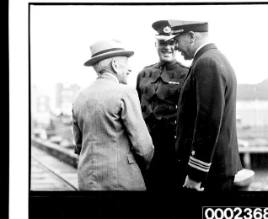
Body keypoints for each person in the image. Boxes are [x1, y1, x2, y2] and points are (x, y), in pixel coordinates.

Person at [152, 20, 242, 192]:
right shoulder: (214, 59)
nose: (175, 47)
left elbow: (208, 122)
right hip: (216, 169)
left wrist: (196, 174)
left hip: (210, 174)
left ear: (192, 36)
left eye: (176, 40)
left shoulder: (206, 63)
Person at [72, 39, 154, 190]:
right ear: (115, 65)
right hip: (122, 182)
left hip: (87, 181)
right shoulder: (125, 92)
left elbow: (78, 146)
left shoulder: (79, 96)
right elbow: (144, 147)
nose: (129, 69)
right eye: (126, 63)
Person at [136, 24, 189, 191]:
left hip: (174, 150)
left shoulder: (187, 74)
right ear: (156, 45)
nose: (168, 48)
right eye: (163, 44)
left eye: (172, 43)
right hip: (147, 148)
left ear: (177, 45)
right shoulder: (144, 74)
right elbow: (136, 112)